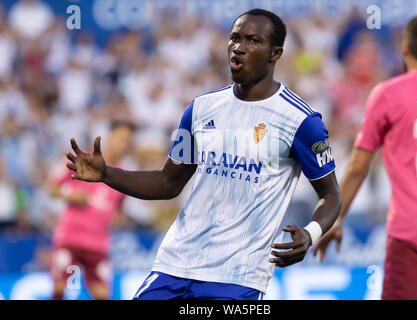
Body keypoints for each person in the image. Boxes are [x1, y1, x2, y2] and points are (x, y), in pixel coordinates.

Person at [66, 9, 341, 300]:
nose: (239, 47)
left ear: (275, 53)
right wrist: (107, 174)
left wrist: (310, 234)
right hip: (174, 264)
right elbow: (168, 183)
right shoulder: (200, 109)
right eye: (235, 38)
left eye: (252, 40)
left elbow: (331, 194)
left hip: (238, 277)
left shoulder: (301, 121)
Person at [314, 15, 417, 300]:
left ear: (404, 48)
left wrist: (336, 220)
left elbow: (358, 168)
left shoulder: (388, 94)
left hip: (411, 232)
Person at [49, 120, 135, 300]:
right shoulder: (82, 159)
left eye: (128, 141)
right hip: (70, 238)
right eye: (121, 139)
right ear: (109, 137)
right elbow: (52, 188)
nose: (124, 145)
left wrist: (117, 218)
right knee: (59, 289)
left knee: (103, 295)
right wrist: (70, 195)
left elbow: (118, 209)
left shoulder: (124, 175)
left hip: (98, 244)